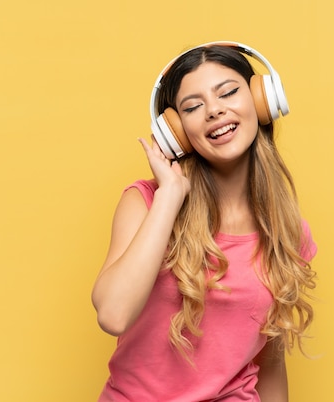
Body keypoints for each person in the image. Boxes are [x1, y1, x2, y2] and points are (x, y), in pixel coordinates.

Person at [91, 42, 317, 402]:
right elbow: (114, 315)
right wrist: (170, 197)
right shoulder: (145, 203)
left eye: (228, 92)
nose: (214, 110)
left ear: (261, 102)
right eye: (193, 107)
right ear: (177, 133)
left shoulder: (286, 231)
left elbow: (271, 361)